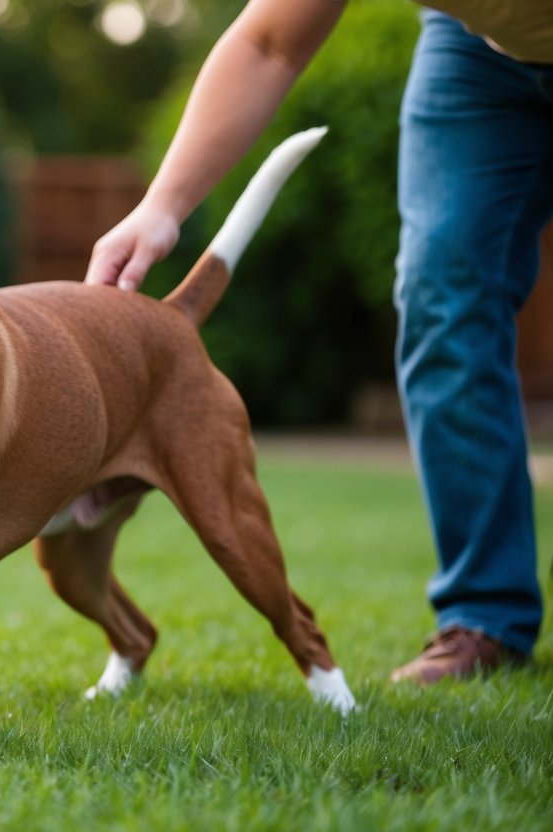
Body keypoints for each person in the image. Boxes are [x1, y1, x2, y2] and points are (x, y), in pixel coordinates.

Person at [85, 0, 551, 685]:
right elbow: (268, 42)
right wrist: (161, 207)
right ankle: (484, 618)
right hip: (478, 58)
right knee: (441, 298)